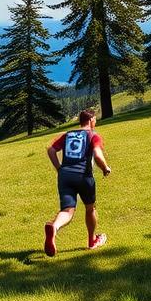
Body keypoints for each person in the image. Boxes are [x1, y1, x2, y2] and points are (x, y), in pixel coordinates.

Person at [43, 108, 111, 256]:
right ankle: (92, 241)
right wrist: (105, 168)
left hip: (65, 176)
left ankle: (54, 227)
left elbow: (51, 150)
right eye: (95, 120)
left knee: (67, 210)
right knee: (90, 208)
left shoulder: (68, 134)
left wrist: (59, 168)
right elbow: (98, 155)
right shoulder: (93, 135)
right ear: (92, 120)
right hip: (83, 176)